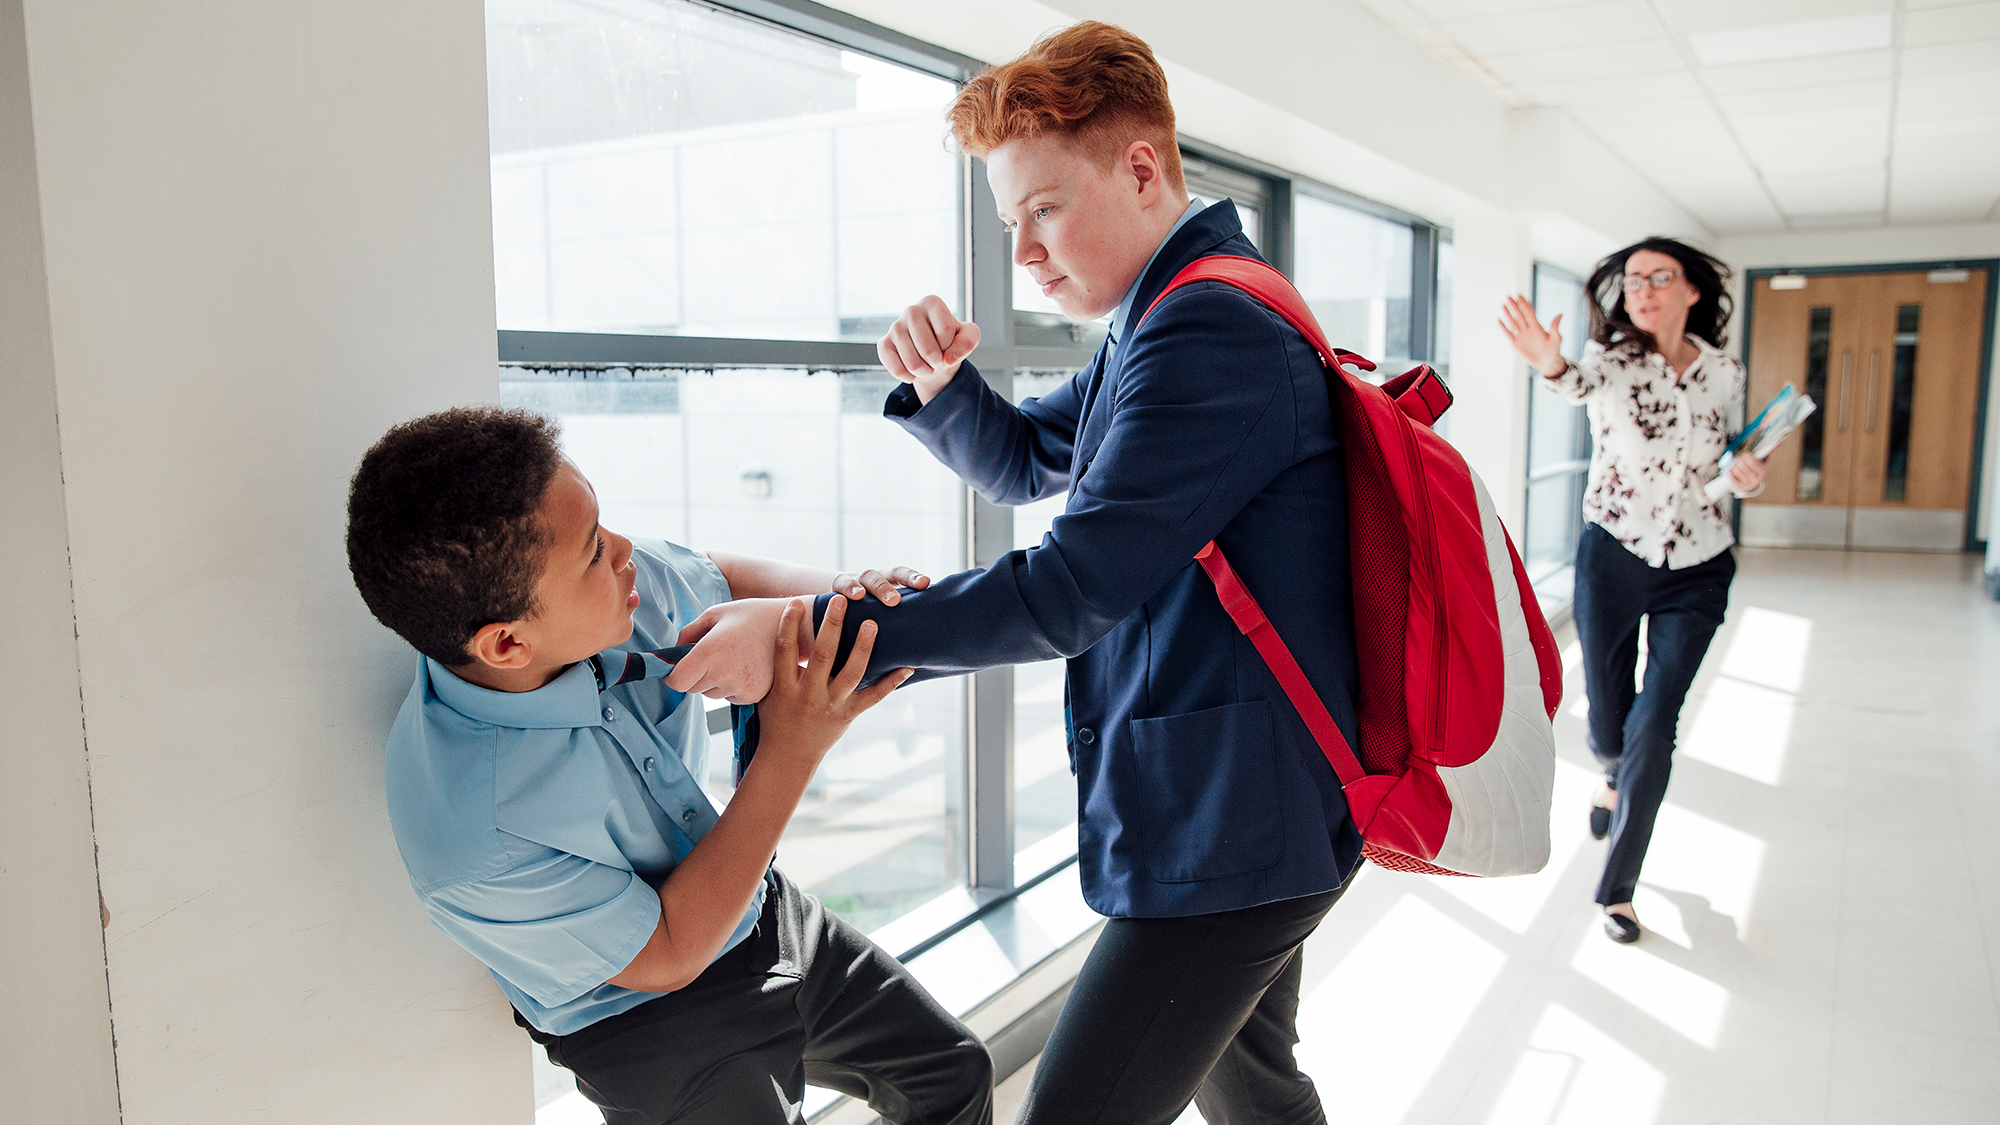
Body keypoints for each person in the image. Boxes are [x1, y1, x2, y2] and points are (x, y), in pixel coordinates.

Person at [669, 22, 1361, 1125]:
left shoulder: (1208, 326)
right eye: (1009, 222)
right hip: (1251, 802)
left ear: (1141, 168)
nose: (1026, 253)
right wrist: (945, 388)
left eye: (1042, 209)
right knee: (1258, 1088)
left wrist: (814, 631)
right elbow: (1033, 460)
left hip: (1236, 820)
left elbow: (1068, 590)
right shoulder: (1168, 307)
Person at [343, 406, 993, 1124]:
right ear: (505, 644)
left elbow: (718, 578)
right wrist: (792, 749)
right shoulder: (472, 837)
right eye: (593, 550)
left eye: (603, 525)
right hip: (646, 1019)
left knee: (953, 1074)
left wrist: (845, 598)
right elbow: (669, 951)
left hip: (757, 908)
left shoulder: (603, 593)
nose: (626, 550)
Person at [1498, 238, 1765, 945]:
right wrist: (1549, 362)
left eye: (1659, 277)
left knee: (1657, 721)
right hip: (1614, 553)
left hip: (1700, 561)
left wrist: (1746, 471)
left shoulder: (1724, 371)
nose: (1641, 289)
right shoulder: (1613, 363)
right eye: (1633, 279)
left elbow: (1729, 452)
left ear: (1692, 292)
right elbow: (1573, 380)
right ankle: (1611, 771)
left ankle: (1618, 889)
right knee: (1610, 718)